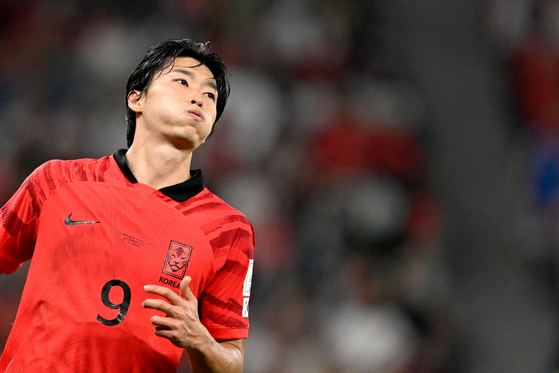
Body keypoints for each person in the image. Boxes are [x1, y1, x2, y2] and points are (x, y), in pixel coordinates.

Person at [0, 38, 255, 373]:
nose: (200, 98)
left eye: (211, 95)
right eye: (182, 82)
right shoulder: (57, 181)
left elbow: (231, 363)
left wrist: (201, 341)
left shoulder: (228, 230)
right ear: (137, 98)